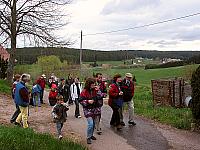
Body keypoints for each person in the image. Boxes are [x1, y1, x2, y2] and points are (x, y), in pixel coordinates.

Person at [79, 77, 104, 144]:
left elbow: (102, 96)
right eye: (92, 84)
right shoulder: (84, 92)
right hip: (87, 109)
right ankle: (88, 137)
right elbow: (80, 101)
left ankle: (91, 135)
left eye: (94, 84)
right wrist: (87, 101)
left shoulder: (96, 90)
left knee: (93, 123)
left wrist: (98, 90)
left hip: (95, 109)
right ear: (88, 84)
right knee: (91, 124)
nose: (93, 85)